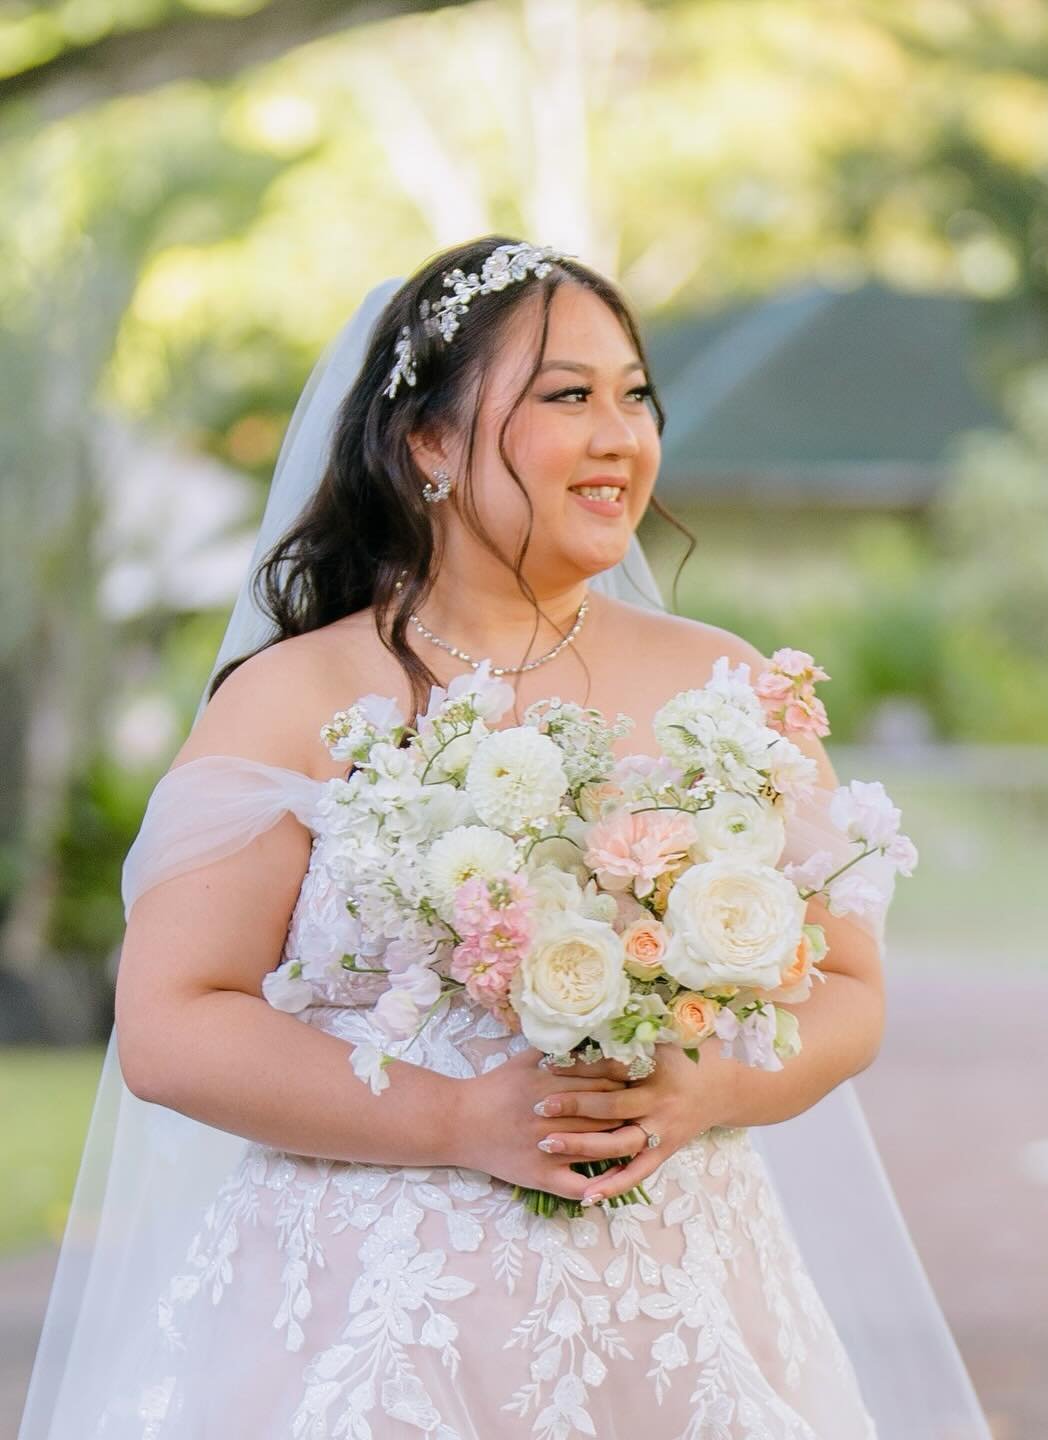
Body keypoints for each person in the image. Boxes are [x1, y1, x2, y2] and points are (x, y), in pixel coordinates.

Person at [18, 236, 992, 1438]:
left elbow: (847, 988)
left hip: (680, 1316)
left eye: (637, 396)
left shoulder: (731, 689)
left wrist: (711, 1088)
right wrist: (456, 1117)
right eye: (568, 397)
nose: (620, 436)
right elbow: (171, 1026)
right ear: (427, 441)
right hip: (368, 1324)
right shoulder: (294, 699)